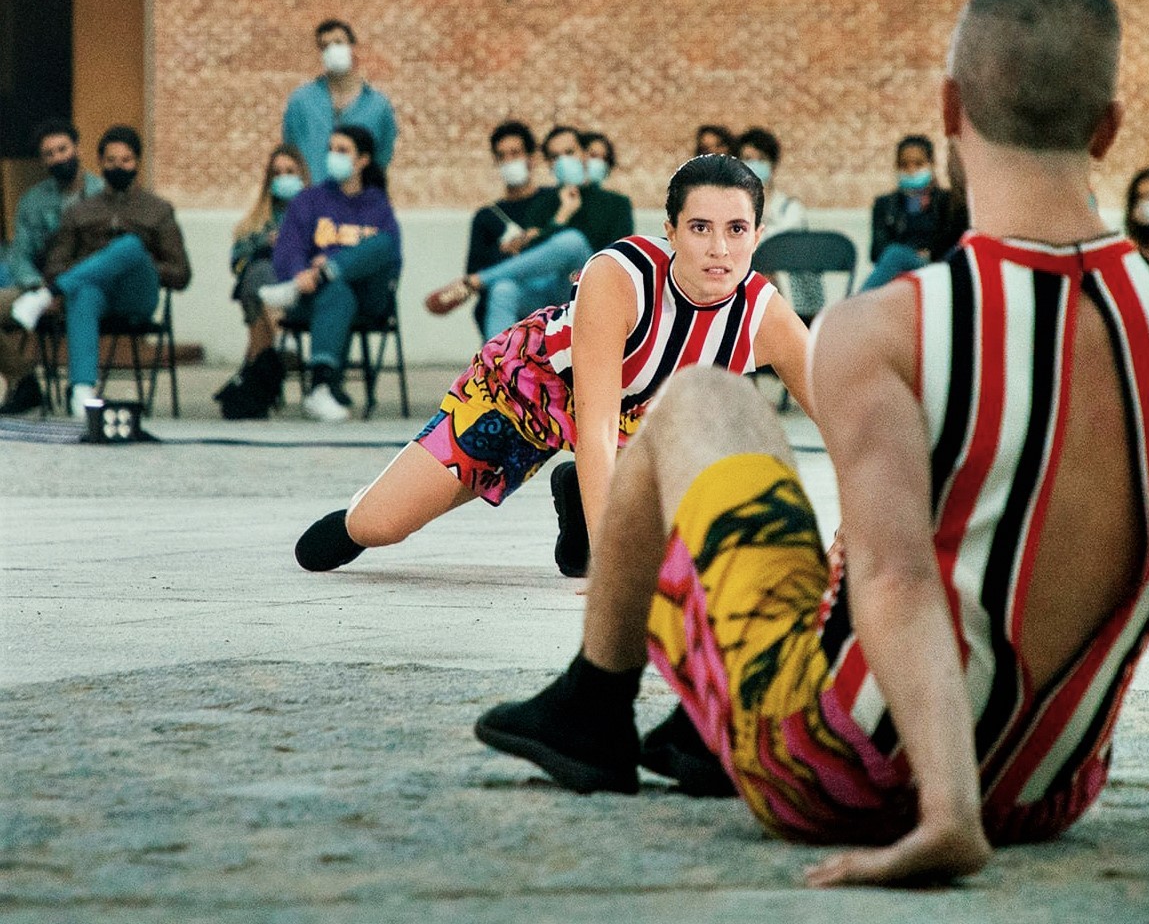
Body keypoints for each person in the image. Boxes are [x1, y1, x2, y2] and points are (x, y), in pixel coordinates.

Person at [471, 0, 1149, 889]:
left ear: (949, 108)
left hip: (850, 774)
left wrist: (948, 819)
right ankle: (667, 722)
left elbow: (893, 575)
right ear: (1110, 128)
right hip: (1053, 788)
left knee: (708, 396)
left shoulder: (891, 327)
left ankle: (594, 705)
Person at [291, 153, 814, 586]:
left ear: (758, 233)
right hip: (527, 392)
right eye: (700, 228)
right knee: (379, 525)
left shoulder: (769, 319)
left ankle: (580, 507)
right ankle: (361, 513)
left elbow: (858, 427)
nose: (719, 249)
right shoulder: (619, 276)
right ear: (671, 231)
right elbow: (596, 425)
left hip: (640, 423)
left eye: (736, 229)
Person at [33, 126, 192, 416]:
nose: (118, 167)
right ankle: (82, 391)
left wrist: (126, 261)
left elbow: (181, 273)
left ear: (137, 163)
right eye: (111, 161)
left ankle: (46, 297)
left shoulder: (158, 210)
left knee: (130, 246)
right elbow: (54, 266)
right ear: (100, 162)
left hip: (138, 293)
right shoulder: (79, 212)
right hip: (97, 297)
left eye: (126, 161)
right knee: (83, 291)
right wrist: (99, 265)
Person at [259, 124, 402, 423]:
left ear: (362, 160)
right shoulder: (310, 200)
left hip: (370, 295)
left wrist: (331, 263)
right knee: (337, 291)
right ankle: (321, 388)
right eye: (331, 149)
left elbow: (391, 257)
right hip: (319, 296)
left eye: (342, 150)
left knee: (381, 244)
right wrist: (300, 273)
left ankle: (326, 274)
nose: (333, 156)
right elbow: (288, 248)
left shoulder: (378, 205)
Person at [424, 121, 591, 339]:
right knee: (503, 287)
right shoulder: (487, 216)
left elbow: (571, 250)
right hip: (520, 295)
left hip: (560, 289)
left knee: (571, 241)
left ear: (531, 158)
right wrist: (506, 251)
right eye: (501, 156)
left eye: (515, 153)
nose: (508, 161)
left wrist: (545, 229)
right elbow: (474, 265)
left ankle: (478, 281)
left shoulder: (553, 199)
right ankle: (496, 369)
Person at [0, 120, 106, 414]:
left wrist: (64, 289)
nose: (58, 158)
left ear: (78, 148)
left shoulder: (102, 194)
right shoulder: (33, 201)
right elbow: (18, 255)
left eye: (63, 149)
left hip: (87, 289)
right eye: (49, 154)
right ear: (42, 160)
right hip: (39, 289)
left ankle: (81, 388)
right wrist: (37, 288)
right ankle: (24, 380)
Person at [215, 145, 312, 419]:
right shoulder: (255, 222)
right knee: (259, 271)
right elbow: (237, 262)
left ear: (302, 175)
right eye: (276, 173)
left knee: (257, 286)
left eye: (290, 172)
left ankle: (253, 377)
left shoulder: (316, 214)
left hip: (304, 293)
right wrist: (265, 243)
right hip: (263, 289)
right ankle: (281, 340)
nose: (283, 177)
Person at [281, 19, 398, 181]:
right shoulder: (301, 102)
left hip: (358, 201)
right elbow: (290, 151)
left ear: (353, 47)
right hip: (312, 199)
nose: (332, 50)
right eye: (325, 46)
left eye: (338, 42)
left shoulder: (378, 106)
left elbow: (382, 155)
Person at [860, 135, 969, 290]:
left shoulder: (948, 202)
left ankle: (857, 304)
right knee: (895, 254)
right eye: (904, 165)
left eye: (918, 164)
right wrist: (911, 253)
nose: (911, 170)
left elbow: (956, 243)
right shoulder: (885, 205)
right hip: (897, 266)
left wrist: (929, 253)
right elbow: (876, 252)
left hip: (937, 266)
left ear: (931, 164)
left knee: (895, 254)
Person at [740, 126, 822, 314]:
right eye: (748, 159)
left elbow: (779, 249)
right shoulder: (731, 209)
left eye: (760, 159)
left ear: (773, 164)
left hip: (789, 292)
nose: (754, 165)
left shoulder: (791, 209)